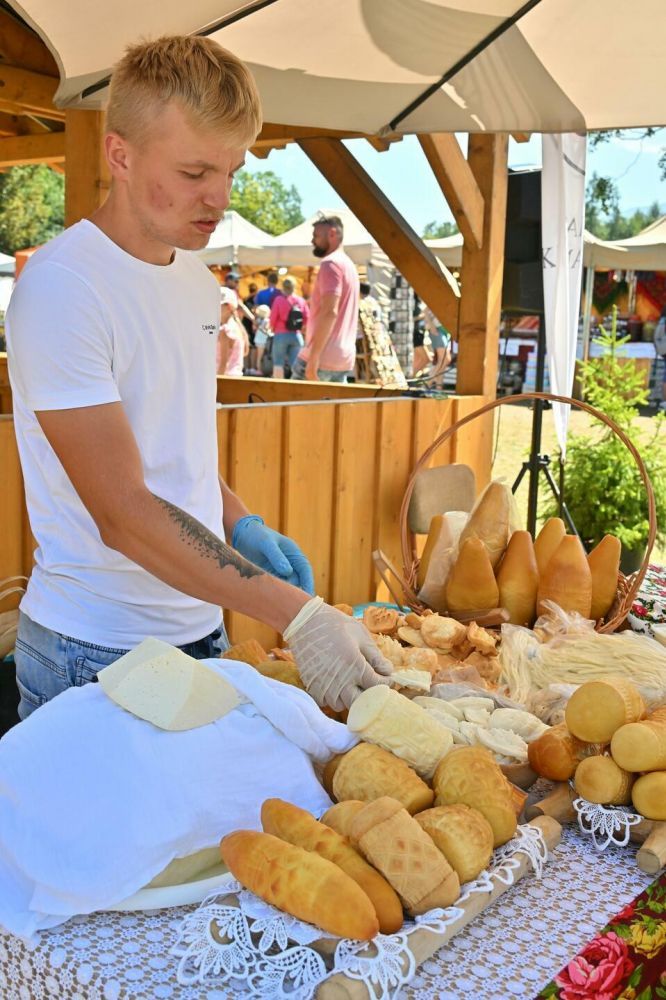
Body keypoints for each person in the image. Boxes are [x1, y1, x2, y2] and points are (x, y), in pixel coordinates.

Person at [5, 35, 391, 719]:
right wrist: (295, 612)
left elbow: (173, 450)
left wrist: (239, 522)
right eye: (194, 172)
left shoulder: (194, 281)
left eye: (232, 170)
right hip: (94, 649)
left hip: (202, 630)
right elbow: (123, 513)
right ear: (119, 155)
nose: (220, 196)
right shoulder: (65, 287)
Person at [292, 216, 359, 383]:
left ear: (332, 234)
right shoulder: (349, 265)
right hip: (342, 358)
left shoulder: (331, 263)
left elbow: (330, 312)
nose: (312, 241)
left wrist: (314, 357)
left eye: (316, 236)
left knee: (292, 400)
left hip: (322, 357)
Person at [269, 275, 309, 379]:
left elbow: (273, 317)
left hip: (280, 335)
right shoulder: (301, 300)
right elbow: (307, 318)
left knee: (278, 363)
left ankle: (278, 386)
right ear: (294, 287)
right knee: (295, 365)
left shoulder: (278, 300)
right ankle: (295, 385)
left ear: (282, 286)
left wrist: (272, 327)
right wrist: (302, 329)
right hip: (296, 336)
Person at [218, 284, 248, 376]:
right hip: (236, 377)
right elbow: (245, 352)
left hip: (225, 379)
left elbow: (223, 364)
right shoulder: (239, 328)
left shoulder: (225, 330)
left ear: (229, 307)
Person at [253, 303, 271, 374]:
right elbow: (267, 329)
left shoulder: (257, 320)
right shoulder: (267, 320)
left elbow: (254, 329)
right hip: (264, 339)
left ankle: (258, 369)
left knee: (259, 356)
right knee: (262, 356)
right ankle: (259, 370)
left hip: (258, 339)